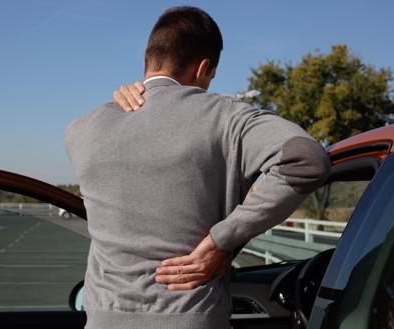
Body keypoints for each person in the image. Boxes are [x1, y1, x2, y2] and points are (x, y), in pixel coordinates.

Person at [64, 6, 330, 329]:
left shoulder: (81, 130)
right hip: (194, 318)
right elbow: (307, 158)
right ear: (203, 68)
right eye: (210, 77)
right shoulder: (226, 118)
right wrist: (222, 240)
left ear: (149, 58)